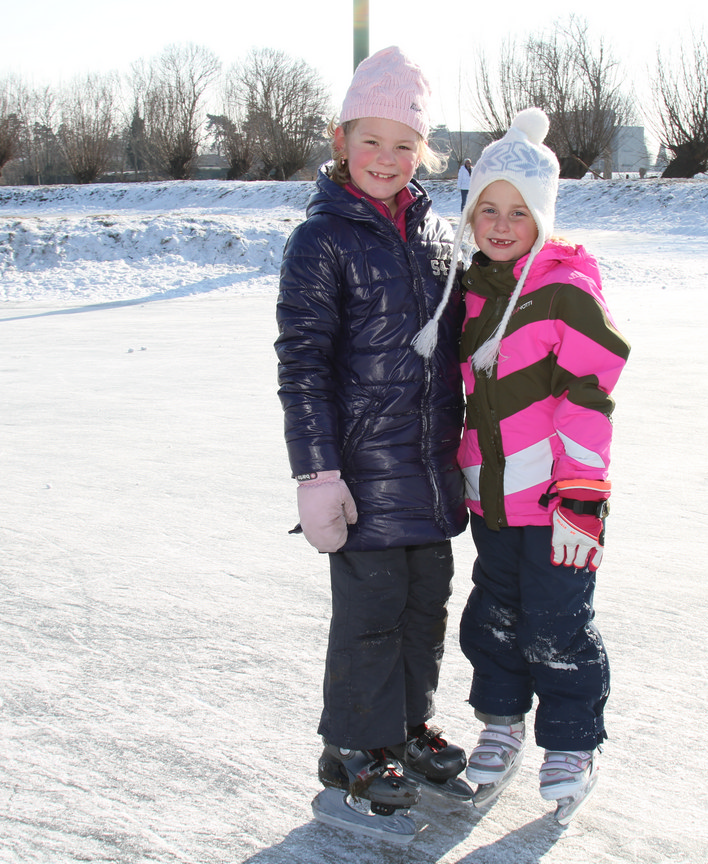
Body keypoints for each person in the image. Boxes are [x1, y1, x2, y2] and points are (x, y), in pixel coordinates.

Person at [414, 107, 629, 823]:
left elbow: (589, 397)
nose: (501, 225)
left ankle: (570, 743)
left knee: (556, 625)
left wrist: (583, 496)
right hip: (493, 499)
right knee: (495, 618)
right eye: (488, 210)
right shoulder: (472, 290)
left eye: (518, 212)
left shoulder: (567, 290)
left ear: (542, 217)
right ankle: (502, 726)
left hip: (561, 503)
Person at [275, 46, 469, 840]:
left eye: (403, 145)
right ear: (341, 140)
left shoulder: (437, 237)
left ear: (422, 151)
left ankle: (406, 726)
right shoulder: (320, 240)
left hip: (430, 470)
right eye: (371, 141)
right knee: (370, 616)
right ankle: (354, 746)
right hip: (360, 473)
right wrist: (316, 472)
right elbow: (302, 365)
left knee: (425, 607)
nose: (386, 159)